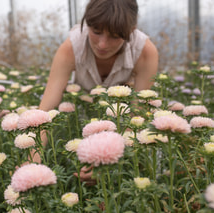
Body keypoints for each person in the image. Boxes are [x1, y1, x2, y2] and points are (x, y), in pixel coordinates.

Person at [38, 0, 158, 182]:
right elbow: (46, 111)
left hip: (122, 117)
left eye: (115, 36)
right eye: (96, 32)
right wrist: (31, 161)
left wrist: (109, 162)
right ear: (87, 24)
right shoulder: (71, 47)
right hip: (81, 113)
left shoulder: (145, 51)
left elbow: (137, 117)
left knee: (149, 158)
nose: (102, 44)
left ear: (131, 31)